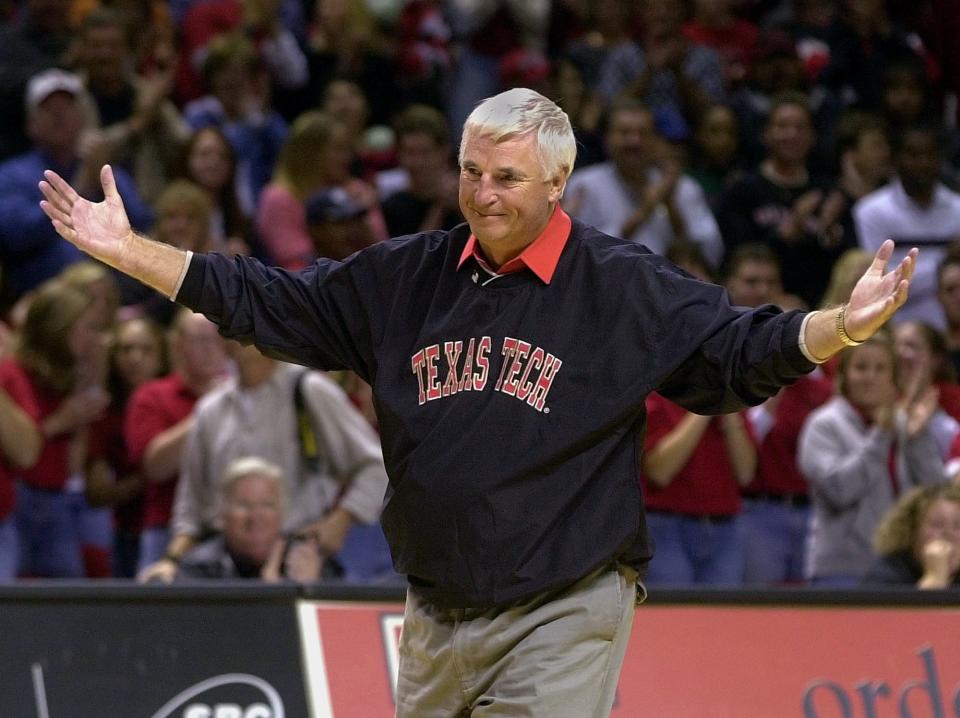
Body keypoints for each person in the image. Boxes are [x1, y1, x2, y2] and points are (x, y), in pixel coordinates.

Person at [40, 87, 917, 717]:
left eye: (506, 177)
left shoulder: (620, 287)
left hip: (564, 604)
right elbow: (265, 298)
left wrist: (841, 324)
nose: (483, 194)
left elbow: (734, 356)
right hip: (434, 612)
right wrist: (131, 254)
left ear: (558, 184)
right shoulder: (406, 277)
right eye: (470, 172)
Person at [148, 341, 388, 582]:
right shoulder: (210, 408)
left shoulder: (307, 390)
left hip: (297, 562)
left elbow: (377, 466)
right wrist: (171, 562)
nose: (235, 333)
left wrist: (340, 520)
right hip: (221, 565)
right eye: (225, 323)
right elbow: (191, 508)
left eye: (246, 322)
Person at [798, 331, 949, 586]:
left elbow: (934, 491)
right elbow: (840, 489)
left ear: (893, 379)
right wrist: (881, 435)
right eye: (861, 368)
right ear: (844, 375)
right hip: (843, 569)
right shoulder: (823, 425)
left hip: (901, 567)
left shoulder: (903, 424)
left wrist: (918, 437)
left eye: (880, 369)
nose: (870, 377)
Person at [0, 68, 153, 302]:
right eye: (49, 109)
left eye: (67, 106)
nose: (59, 115)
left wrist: (102, 181)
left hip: (118, 296)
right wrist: (80, 187)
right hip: (42, 296)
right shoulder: (13, 175)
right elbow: (16, 236)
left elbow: (143, 225)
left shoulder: (103, 169)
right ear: (31, 125)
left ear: (82, 118)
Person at [563, 97, 724, 270]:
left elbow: (712, 254)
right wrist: (643, 212)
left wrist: (671, 206)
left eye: (643, 133)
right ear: (607, 138)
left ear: (656, 139)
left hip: (670, 288)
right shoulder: (584, 185)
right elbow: (576, 255)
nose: (634, 141)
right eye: (624, 133)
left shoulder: (682, 187)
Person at [125, 309, 228, 574]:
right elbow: (155, 467)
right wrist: (209, 409)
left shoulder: (246, 395)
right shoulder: (152, 396)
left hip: (231, 531)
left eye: (218, 338)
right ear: (177, 345)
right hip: (167, 530)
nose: (211, 348)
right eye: (200, 340)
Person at [854, 124, 960, 330]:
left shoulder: (958, 208)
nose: (923, 163)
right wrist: (946, 261)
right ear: (895, 160)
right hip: (892, 328)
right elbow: (879, 285)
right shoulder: (871, 211)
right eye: (913, 155)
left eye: (930, 155)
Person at [176, 456, 325, 582]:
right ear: (223, 512)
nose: (255, 517)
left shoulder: (311, 564)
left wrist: (310, 590)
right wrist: (276, 596)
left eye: (267, 505)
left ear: (283, 512)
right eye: (243, 505)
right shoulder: (197, 569)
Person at [862, 483, 960, 588]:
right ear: (911, 531)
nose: (949, 534)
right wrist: (935, 577)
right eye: (937, 525)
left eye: (958, 525)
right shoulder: (887, 574)